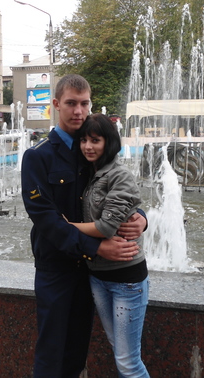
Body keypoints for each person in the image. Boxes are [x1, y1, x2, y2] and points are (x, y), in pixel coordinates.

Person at [21, 74, 146, 377]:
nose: (78, 111)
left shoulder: (91, 149)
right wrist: (97, 246)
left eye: (84, 103)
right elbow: (46, 219)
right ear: (56, 104)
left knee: (77, 351)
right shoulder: (38, 157)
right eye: (71, 103)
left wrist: (141, 218)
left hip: (89, 272)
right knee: (51, 353)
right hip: (57, 268)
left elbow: (118, 189)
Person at [70, 114, 149, 377]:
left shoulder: (119, 175)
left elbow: (105, 227)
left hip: (126, 280)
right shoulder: (90, 173)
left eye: (95, 140)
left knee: (128, 362)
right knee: (118, 350)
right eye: (84, 140)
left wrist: (66, 226)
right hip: (97, 276)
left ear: (109, 142)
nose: (87, 146)